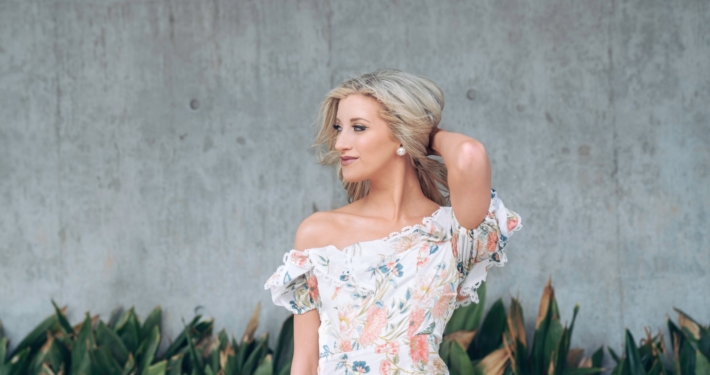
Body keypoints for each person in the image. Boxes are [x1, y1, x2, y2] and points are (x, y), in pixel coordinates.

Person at [264, 69, 522, 375]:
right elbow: (305, 363)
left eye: (358, 127)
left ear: (401, 133)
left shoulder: (451, 232)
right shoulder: (319, 232)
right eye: (338, 128)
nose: (340, 143)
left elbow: (470, 154)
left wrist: (427, 135)